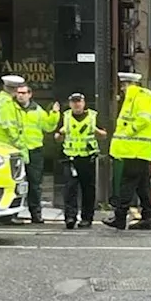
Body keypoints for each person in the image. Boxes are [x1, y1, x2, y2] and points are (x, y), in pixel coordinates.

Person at [105, 72, 151, 231]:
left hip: (135, 150)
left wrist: (129, 132)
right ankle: (148, 218)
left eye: (123, 85)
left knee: (127, 184)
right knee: (142, 186)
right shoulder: (134, 98)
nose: (122, 89)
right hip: (137, 150)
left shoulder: (140, 97)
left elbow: (145, 119)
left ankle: (120, 217)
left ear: (129, 84)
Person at [55, 92, 106, 229]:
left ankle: (86, 218)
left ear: (84, 103)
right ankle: (70, 217)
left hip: (87, 158)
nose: (76, 104)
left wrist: (96, 131)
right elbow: (57, 136)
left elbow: (103, 135)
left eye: (79, 102)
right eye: (74, 102)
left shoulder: (93, 116)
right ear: (70, 103)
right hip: (70, 158)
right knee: (70, 188)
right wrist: (59, 135)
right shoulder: (65, 117)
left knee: (88, 190)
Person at [0, 74, 29, 225]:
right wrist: (20, 147)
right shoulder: (6, 103)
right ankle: (5, 216)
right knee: (9, 182)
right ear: (15, 90)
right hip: (5, 148)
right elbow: (9, 126)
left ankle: (0, 215)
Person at [18, 84, 60, 225]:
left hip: (34, 150)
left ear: (30, 94)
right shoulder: (12, 109)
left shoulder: (37, 110)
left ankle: (36, 214)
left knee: (35, 185)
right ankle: (9, 214)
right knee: (13, 184)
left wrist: (54, 114)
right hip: (16, 150)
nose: (21, 95)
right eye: (18, 93)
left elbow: (49, 127)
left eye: (24, 93)